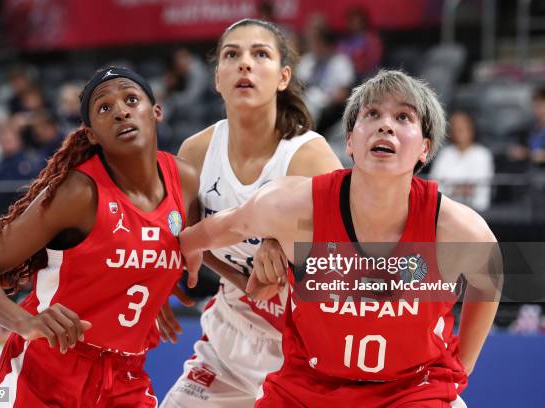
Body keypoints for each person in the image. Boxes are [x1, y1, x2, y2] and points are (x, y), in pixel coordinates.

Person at [180, 70, 501, 407]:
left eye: (403, 116)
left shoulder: (455, 230)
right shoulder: (292, 207)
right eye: (372, 114)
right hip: (307, 387)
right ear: (349, 140)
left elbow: (490, 277)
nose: (385, 125)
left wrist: (463, 365)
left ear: (424, 148)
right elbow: (209, 231)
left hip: (412, 390)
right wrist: (184, 259)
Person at [0, 66, 199, 407]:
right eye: (104, 108)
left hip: (126, 375)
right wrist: (25, 323)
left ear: (156, 111)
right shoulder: (78, 193)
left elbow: (196, 244)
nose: (121, 111)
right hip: (49, 370)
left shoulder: (185, 180)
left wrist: (156, 282)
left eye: (131, 99)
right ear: (92, 134)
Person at [159, 18, 343, 408]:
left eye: (261, 54)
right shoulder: (195, 152)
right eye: (232, 55)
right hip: (229, 342)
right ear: (217, 78)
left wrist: (286, 248)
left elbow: (343, 263)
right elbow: (187, 244)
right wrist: (156, 284)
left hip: (304, 349)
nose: (245, 64)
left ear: (282, 77)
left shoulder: (309, 155)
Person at [429, 111, 494, 211]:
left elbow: (477, 188)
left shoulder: (482, 154)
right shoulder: (445, 154)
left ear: (471, 129)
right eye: (455, 128)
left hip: (476, 212)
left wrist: (451, 189)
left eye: (462, 128)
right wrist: (458, 189)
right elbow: (435, 184)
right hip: (445, 211)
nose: (459, 131)